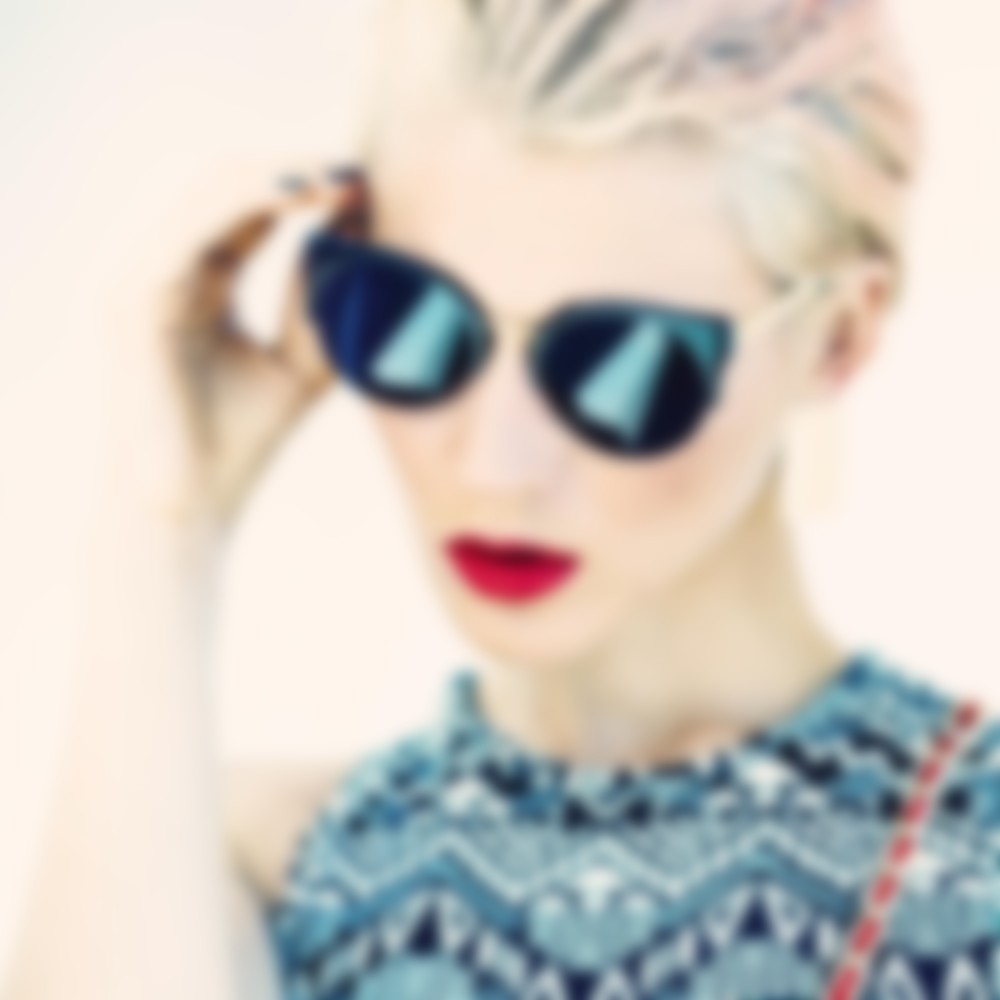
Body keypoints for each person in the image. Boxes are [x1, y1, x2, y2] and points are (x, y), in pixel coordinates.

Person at [6, 0, 1000, 998]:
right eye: (416, 320)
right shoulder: (242, 865)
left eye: (620, 362)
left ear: (838, 338)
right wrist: (167, 524)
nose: (493, 463)